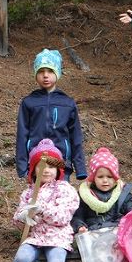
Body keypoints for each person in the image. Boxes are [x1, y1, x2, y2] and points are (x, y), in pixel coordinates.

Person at [4, 139, 79, 262]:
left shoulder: (65, 189)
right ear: (34, 169)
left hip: (57, 238)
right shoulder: (29, 193)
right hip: (35, 237)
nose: (46, 170)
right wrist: (24, 218)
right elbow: (19, 216)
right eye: (41, 166)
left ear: (58, 170)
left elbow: (62, 217)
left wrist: (42, 209)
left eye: (52, 167)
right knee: (21, 259)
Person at [71, 147, 132, 262]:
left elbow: (131, 214)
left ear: (116, 178)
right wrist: (79, 227)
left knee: (130, 252)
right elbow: (77, 216)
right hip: (94, 233)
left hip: (117, 233)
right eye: (100, 177)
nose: (105, 181)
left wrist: (125, 224)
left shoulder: (124, 195)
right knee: (92, 257)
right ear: (93, 178)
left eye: (109, 177)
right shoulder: (85, 196)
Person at [15, 49, 87, 181]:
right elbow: (22, 135)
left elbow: (76, 136)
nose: (45, 75)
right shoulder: (29, 102)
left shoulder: (67, 103)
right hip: (36, 160)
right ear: (36, 74)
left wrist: (80, 167)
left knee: (60, 196)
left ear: (57, 73)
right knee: (39, 197)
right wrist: (22, 166)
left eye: (50, 71)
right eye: (41, 71)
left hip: (61, 161)